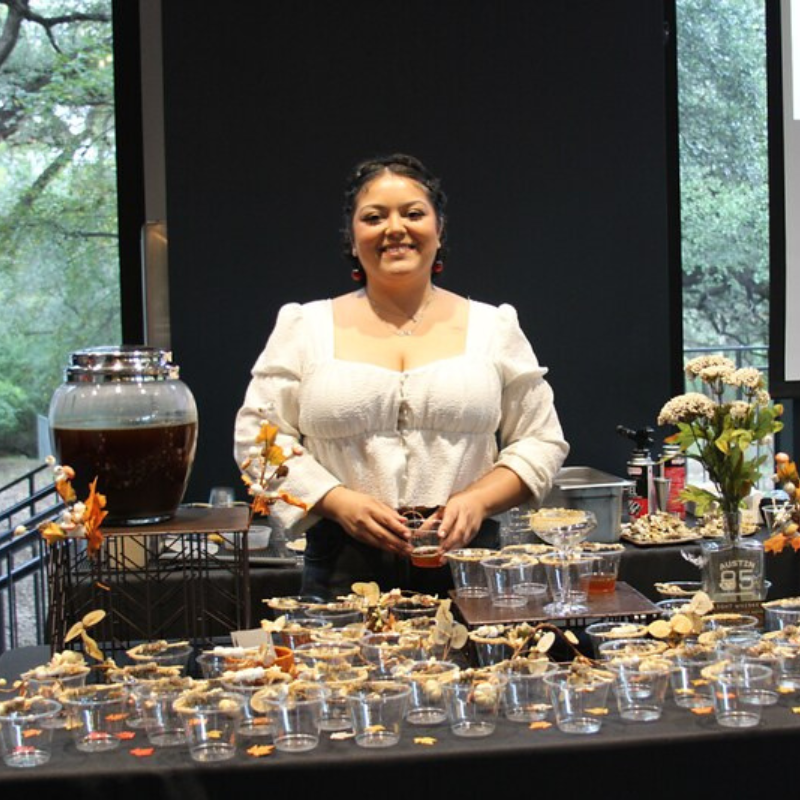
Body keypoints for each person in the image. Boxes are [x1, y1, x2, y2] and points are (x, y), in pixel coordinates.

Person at [234, 154, 569, 598]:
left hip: (467, 567)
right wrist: (337, 500)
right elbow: (258, 440)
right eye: (374, 217)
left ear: (439, 229)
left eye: (413, 213)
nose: (395, 228)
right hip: (342, 569)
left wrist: (477, 500)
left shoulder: (493, 327)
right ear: (352, 237)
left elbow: (541, 439)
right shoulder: (304, 326)